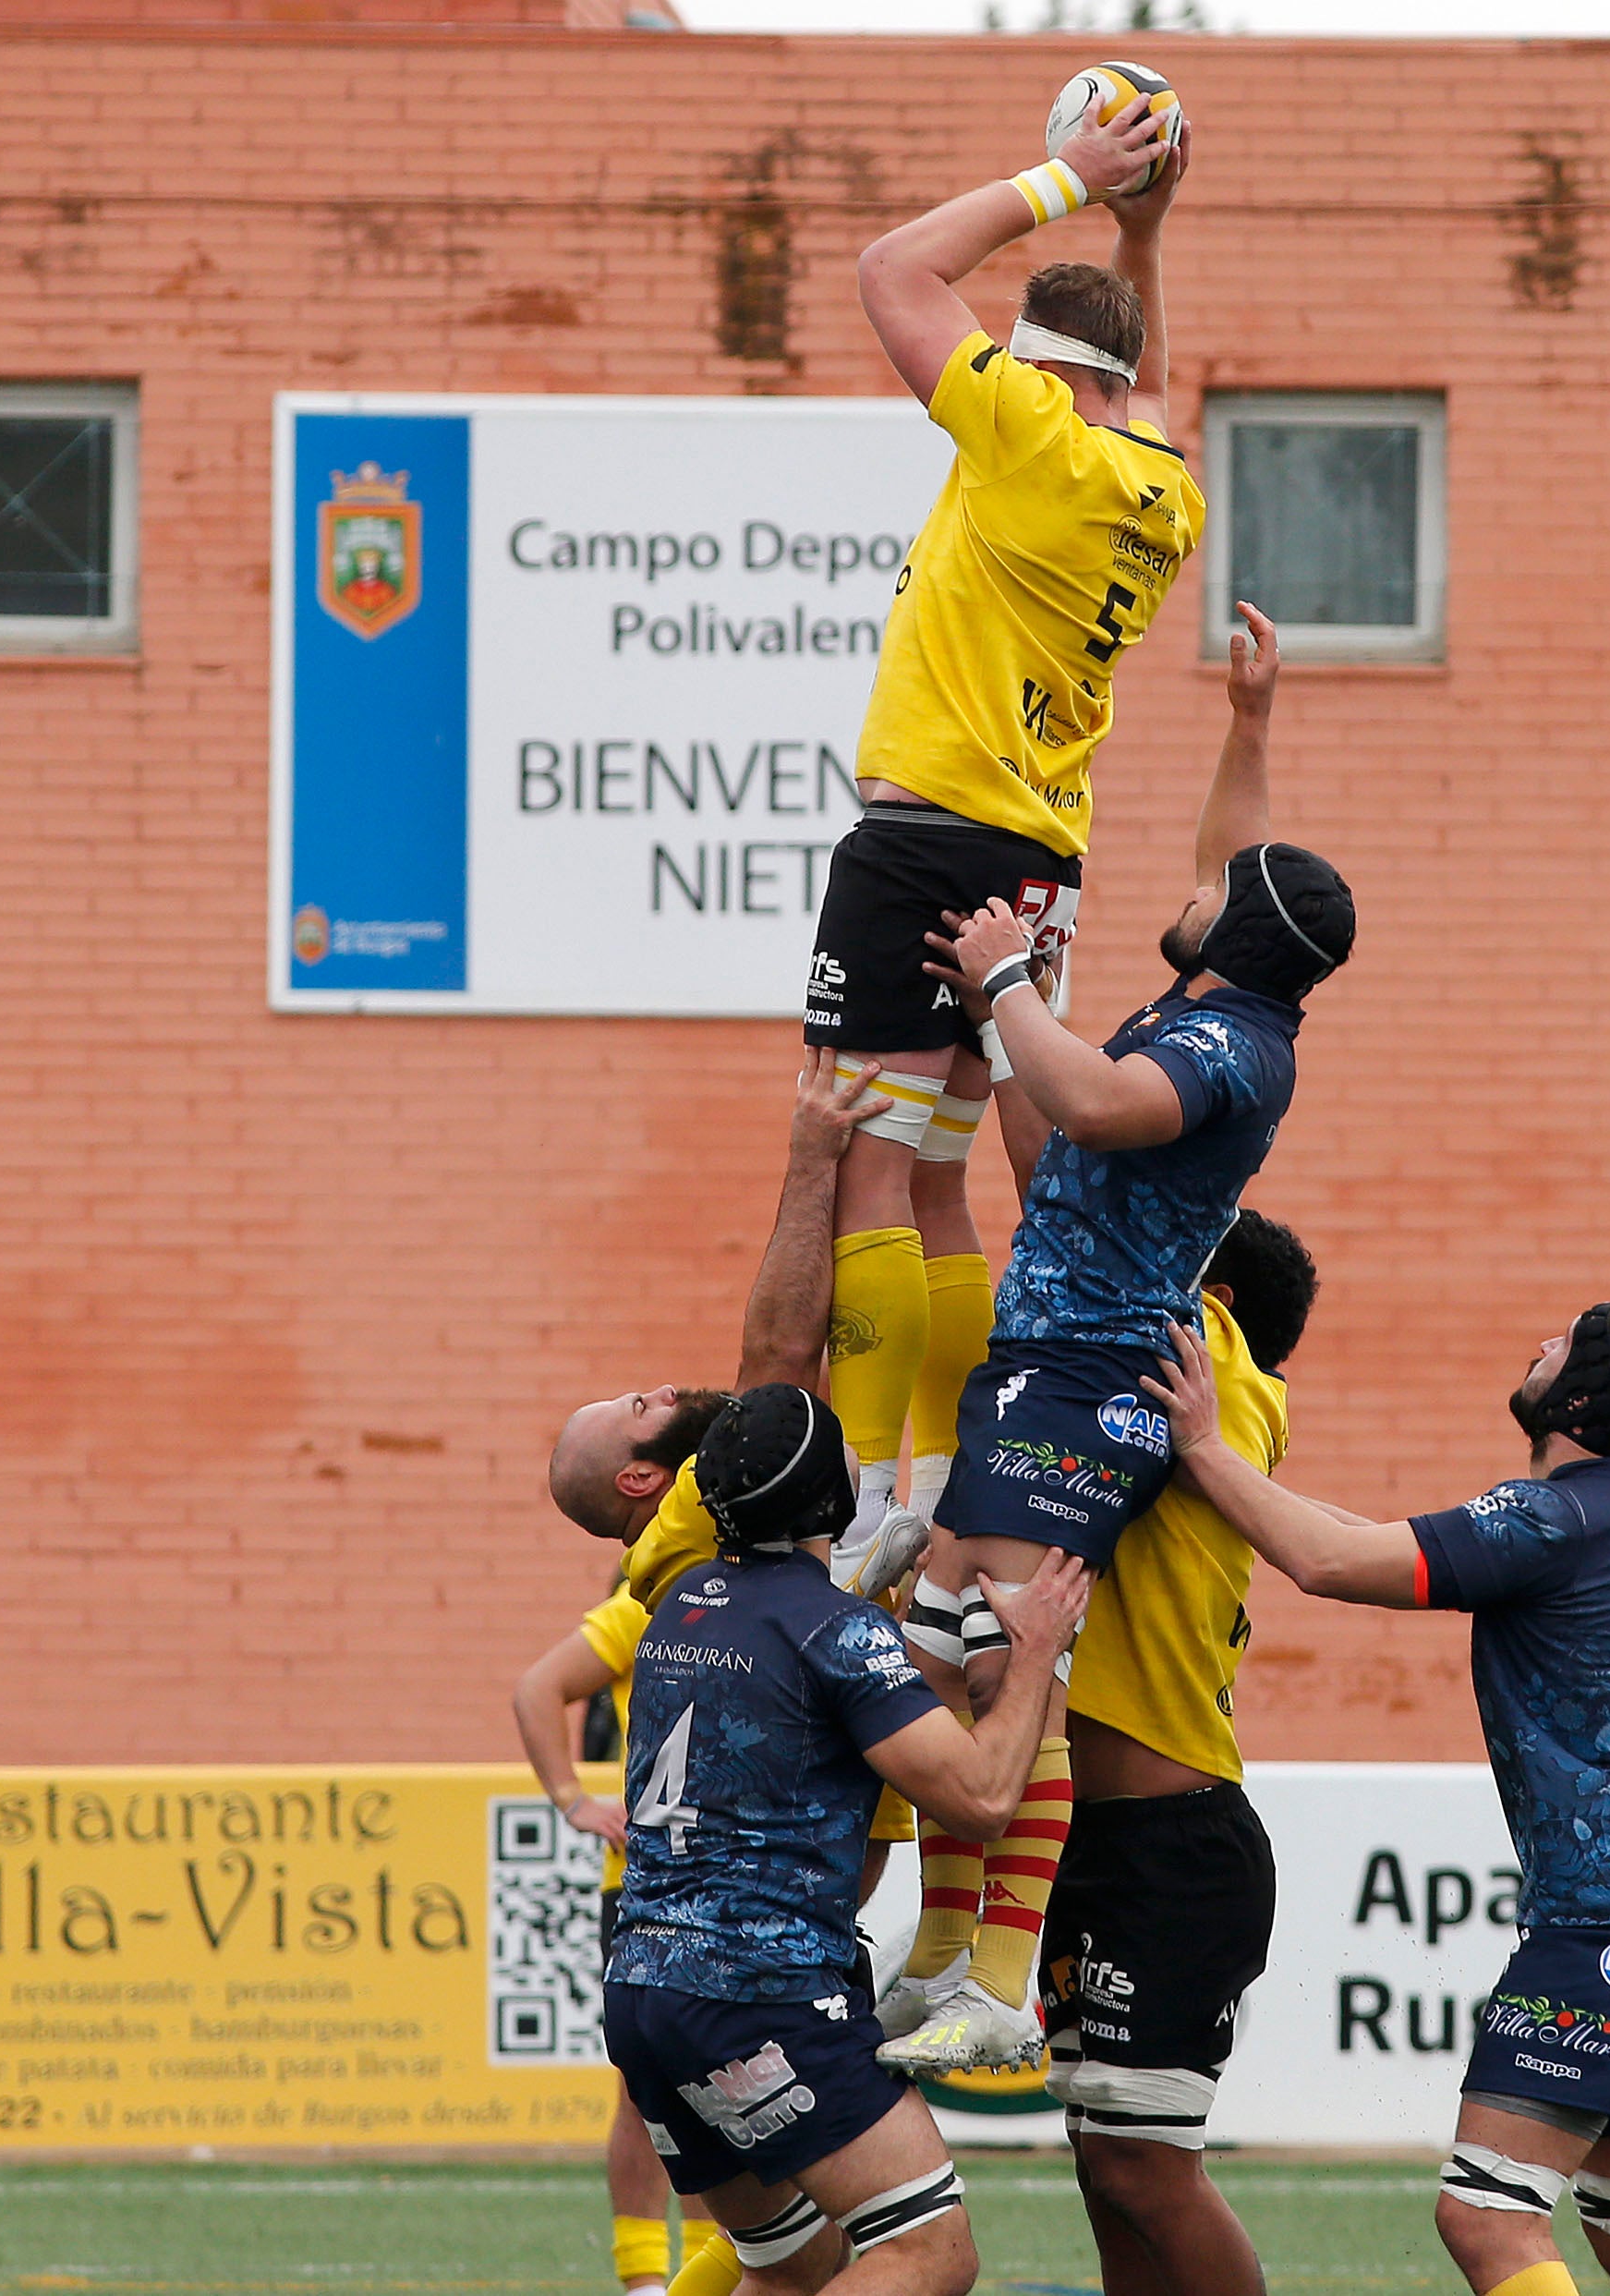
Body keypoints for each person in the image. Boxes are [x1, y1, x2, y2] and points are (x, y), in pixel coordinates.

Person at [875, 604, 1353, 2074]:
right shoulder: (1213, 982)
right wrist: (1250, 721)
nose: (1192, 890)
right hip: (1042, 1356)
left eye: (1220, 893)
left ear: (1242, 936)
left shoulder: (1225, 1046)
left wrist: (1008, 980)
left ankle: (998, 1978)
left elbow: (1089, 1106)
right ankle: (947, 1956)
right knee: (942, 1645)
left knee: (1001, 1650)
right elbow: (1232, 864)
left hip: (1094, 1380)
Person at [809, 89, 1205, 1607]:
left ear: (1035, 367)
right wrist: (1146, 228)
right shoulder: (1156, 485)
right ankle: (929, 1479)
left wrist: (1069, 180)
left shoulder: (1022, 429)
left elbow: (890, 270)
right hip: (1037, 860)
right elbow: (1145, 376)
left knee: (861, 1158)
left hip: (924, 842)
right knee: (942, 1181)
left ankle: (856, 1498)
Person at [1144, 1304, 1610, 2296]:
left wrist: (1204, 1447)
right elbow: (1367, 1537)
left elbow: (1329, 1564)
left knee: (1488, 2217)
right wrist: (1228, 1478)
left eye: (1560, 1341)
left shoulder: (1553, 1518)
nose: (1536, 1341)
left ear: (1582, 1399)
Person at [524, 1057, 897, 2296]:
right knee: (915, 2248)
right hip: (750, 1950)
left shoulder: (690, 1575)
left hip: (704, 1944)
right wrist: (817, 1152)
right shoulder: (704, 1521)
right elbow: (781, 1350)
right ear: (644, 1480)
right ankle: (977, 1952)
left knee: (785, 2253)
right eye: (639, 1406)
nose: (663, 1388)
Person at [605, 1383, 1094, 2296]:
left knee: (794, 2270)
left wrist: (873, 1601)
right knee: (930, 2251)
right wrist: (1033, 1654)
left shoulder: (679, 1604)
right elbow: (985, 1796)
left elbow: (788, 1670)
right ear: (835, 1497)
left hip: (644, 1996)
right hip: (761, 1999)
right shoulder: (840, 1633)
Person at [1035, 1211, 1315, 2296]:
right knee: (1107, 2165)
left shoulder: (1227, 1390)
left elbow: (1093, 1239)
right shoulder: (1167, 1412)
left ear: (1222, 1313)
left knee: (1148, 2171)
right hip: (1099, 1841)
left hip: (1175, 1852)